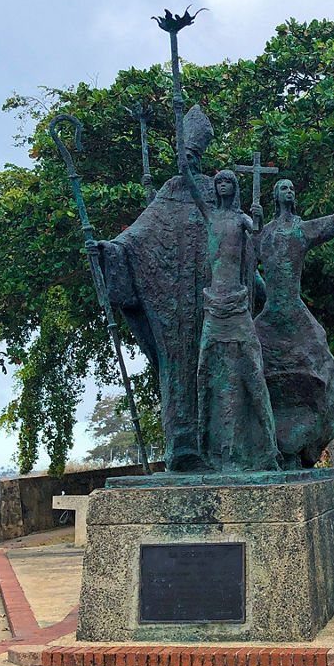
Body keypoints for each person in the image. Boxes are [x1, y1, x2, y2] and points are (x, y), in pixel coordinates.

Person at [92, 105, 214, 471]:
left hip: (213, 302)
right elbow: (137, 237)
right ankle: (183, 448)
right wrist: (109, 251)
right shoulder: (169, 192)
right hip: (174, 308)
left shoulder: (214, 190)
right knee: (177, 371)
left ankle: (223, 447)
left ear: (200, 156)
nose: (186, 162)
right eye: (182, 155)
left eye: (192, 155)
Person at [255, 170, 334, 467]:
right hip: (270, 313)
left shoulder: (300, 229)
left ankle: (315, 435)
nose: (289, 192)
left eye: (292, 188)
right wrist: (263, 290)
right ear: (275, 196)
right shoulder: (262, 233)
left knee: (324, 362)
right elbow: (238, 262)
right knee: (247, 361)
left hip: (295, 311)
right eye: (284, 188)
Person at [187, 163, 280, 471]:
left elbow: (257, 235)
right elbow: (187, 177)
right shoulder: (209, 215)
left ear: (235, 188)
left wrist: (259, 215)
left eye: (228, 181)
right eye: (219, 182)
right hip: (213, 306)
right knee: (205, 371)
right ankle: (211, 450)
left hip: (238, 306)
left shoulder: (241, 219)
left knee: (253, 367)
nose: (223, 185)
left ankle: (267, 448)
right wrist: (178, 119)